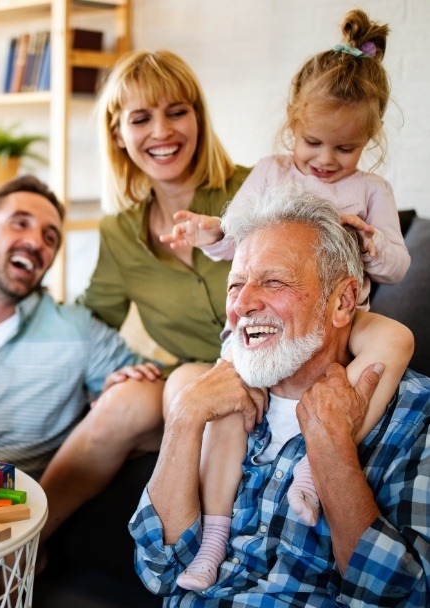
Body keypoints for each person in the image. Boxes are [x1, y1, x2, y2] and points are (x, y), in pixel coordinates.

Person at [160, 9, 414, 590]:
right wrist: (208, 233)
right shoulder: (273, 173)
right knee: (229, 411)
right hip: (268, 331)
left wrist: (370, 242)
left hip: (344, 319)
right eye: (313, 142)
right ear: (290, 128)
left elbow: (398, 266)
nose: (325, 160)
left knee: (395, 338)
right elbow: (234, 233)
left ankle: (316, 461)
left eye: (345, 149)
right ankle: (215, 539)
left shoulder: (372, 190)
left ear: (368, 142)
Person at [129, 184, 430, 607]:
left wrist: (332, 450)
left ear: (343, 301)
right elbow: (159, 568)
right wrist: (184, 418)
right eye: (235, 286)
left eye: (273, 282)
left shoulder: (416, 416)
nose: (243, 305)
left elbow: (404, 597)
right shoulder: (219, 398)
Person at [36, 49, 252, 542]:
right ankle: (23, 550)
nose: (162, 132)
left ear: (197, 116)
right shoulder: (120, 232)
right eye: (141, 118)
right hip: (189, 385)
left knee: (188, 394)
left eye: (176, 111)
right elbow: (88, 319)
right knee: (121, 400)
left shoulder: (256, 190)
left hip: (266, 376)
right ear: (118, 134)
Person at [0, 174, 160, 481]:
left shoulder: (78, 329)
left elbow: (155, 403)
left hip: (20, 515)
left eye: (50, 237)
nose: (36, 242)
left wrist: (125, 387)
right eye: (20, 223)